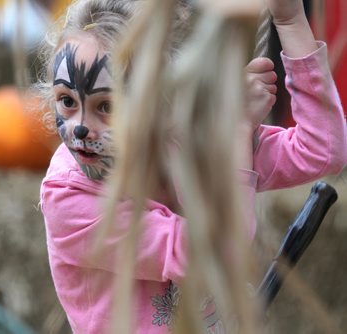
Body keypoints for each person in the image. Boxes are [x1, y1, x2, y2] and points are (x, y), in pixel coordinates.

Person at [38, 0, 347, 332]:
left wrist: (289, 21)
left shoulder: (187, 141)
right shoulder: (68, 198)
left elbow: (323, 149)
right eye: (67, 102)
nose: (80, 129)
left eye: (107, 106)